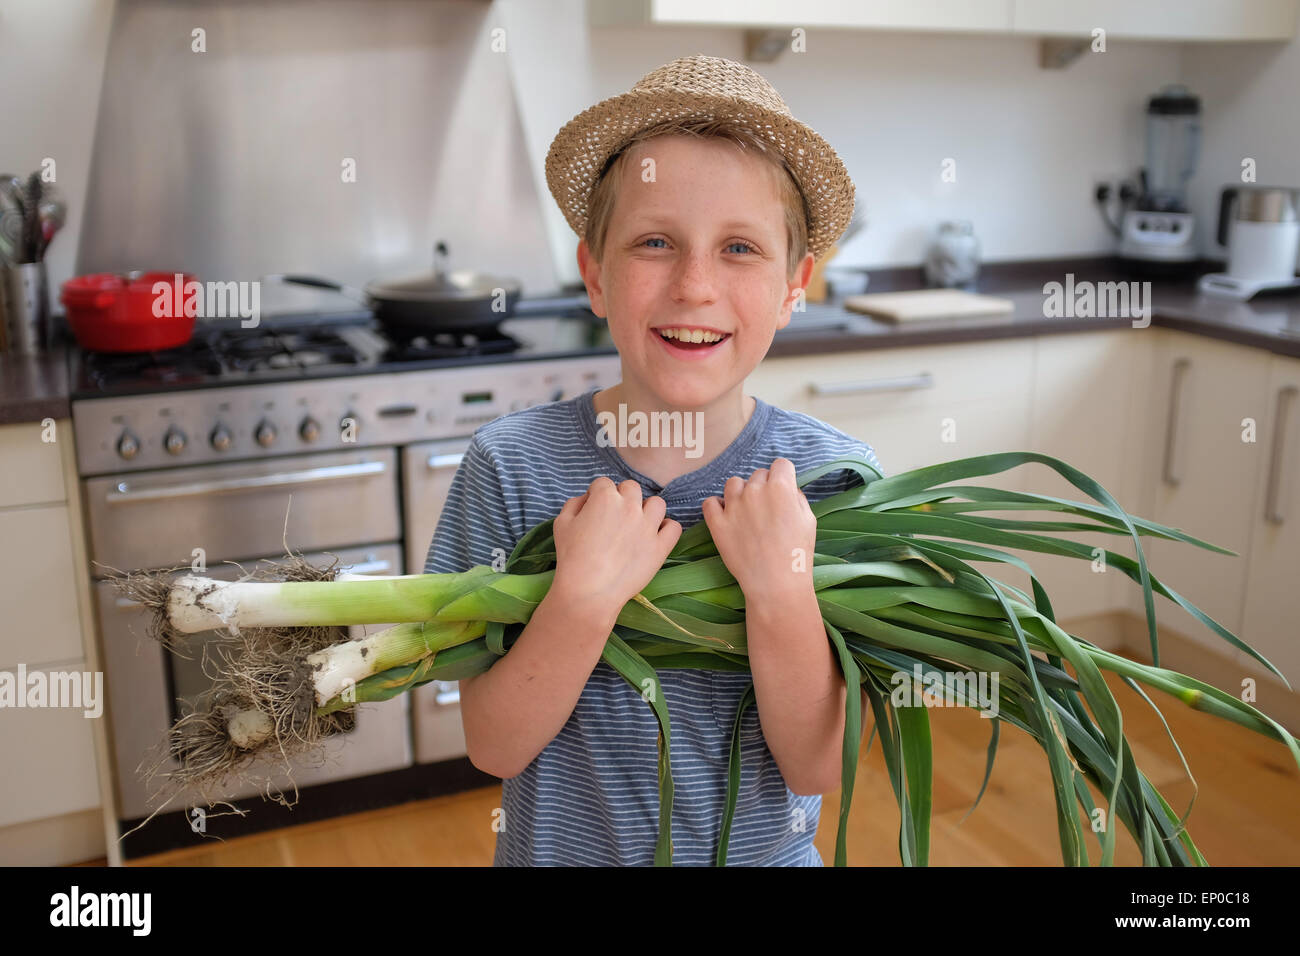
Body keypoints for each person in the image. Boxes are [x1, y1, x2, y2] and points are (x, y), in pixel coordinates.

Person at [424, 54, 883, 866]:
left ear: (794, 285)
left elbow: (820, 762)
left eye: (740, 247)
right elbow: (493, 746)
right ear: (595, 274)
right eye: (655, 242)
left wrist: (780, 589)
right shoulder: (510, 467)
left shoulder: (836, 482)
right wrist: (582, 596)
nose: (695, 285)